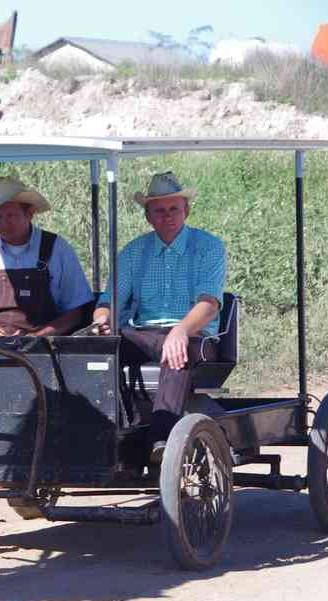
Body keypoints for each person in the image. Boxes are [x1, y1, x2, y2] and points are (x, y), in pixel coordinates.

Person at [91, 171, 227, 471]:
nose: (167, 216)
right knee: (94, 349)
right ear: (148, 216)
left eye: (173, 209)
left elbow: (209, 304)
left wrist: (180, 330)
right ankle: (104, 428)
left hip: (195, 335)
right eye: (159, 211)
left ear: (186, 210)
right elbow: (107, 302)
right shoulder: (134, 252)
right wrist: (102, 320)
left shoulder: (208, 247)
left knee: (176, 351)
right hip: (143, 334)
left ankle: (162, 438)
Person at [0, 177, 94, 337]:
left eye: (11, 216)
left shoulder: (57, 248)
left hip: (42, 345)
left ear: (29, 214)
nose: (3, 224)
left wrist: (38, 336)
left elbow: (75, 314)